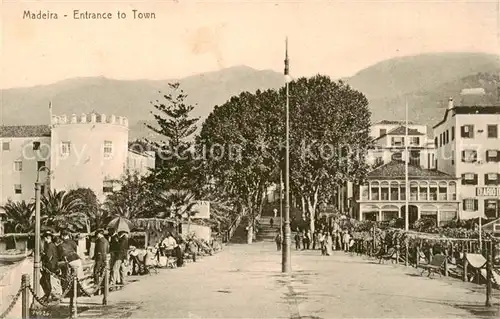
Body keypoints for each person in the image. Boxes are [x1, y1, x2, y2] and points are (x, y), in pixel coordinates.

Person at [41, 230, 59, 301]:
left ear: (46, 238)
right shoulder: (52, 245)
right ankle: (48, 294)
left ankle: (48, 295)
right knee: (44, 280)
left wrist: (42, 256)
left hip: (49, 266)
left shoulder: (50, 246)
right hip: (52, 265)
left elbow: (48, 257)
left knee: (45, 280)